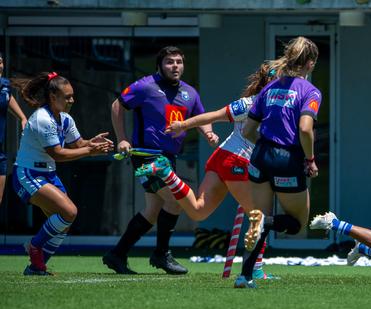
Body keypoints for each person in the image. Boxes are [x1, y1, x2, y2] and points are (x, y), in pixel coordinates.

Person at [137, 62, 276, 279]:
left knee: (198, 211)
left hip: (222, 157)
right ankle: (255, 271)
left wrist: (184, 125)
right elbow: (214, 115)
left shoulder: (258, 103)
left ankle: (167, 173)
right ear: (270, 83)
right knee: (260, 217)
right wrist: (183, 125)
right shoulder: (253, 103)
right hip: (235, 161)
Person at [103, 46, 218, 275]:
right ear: (159, 65)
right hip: (146, 156)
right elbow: (118, 105)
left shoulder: (189, 92)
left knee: (153, 210)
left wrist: (208, 132)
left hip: (168, 158)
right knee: (175, 201)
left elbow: (201, 116)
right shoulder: (145, 86)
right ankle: (161, 254)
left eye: (178, 62)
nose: (175, 66)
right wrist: (123, 139)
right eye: (169, 62)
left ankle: (117, 254)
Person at [236, 36, 322, 288]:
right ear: (310, 64)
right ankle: (265, 223)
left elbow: (247, 131)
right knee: (296, 224)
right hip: (287, 159)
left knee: (258, 218)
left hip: (260, 156)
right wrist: (310, 159)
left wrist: (263, 148)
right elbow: (305, 129)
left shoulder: (269, 88)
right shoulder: (310, 91)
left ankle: (244, 276)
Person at [12, 72, 113, 275]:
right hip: (28, 175)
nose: (72, 100)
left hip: (47, 174)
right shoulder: (42, 118)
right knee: (70, 212)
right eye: (67, 97)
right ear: (53, 97)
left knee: (63, 225)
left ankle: (36, 268)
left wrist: (92, 143)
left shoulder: (65, 119)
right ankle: (34, 246)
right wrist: (89, 151)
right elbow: (57, 154)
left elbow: (78, 144)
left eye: (72, 96)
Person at [0, 51, 28, 205]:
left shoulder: (4, 85)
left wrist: (22, 117)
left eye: (0, 61)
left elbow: (7, 97)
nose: (0, 66)